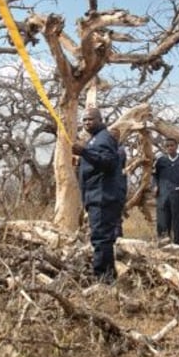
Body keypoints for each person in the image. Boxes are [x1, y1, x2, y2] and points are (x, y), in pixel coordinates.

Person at [72, 108, 123, 283]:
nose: (87, 123)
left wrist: (85, 152)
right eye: (84, 120)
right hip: (95, 197)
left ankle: (103, 278)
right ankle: (108, 275)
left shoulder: (105, 137)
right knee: (101, 238)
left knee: (101, 239)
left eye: (90, 119)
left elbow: (108, 162)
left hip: (103, 197)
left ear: (100, 120)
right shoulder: (94, 140)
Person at [154, 137, 179, 245]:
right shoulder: (161, 161)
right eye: (167, 146)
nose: (170, 148)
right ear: (164, 147)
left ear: (176, 146)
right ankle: (163, 247)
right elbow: (154, 177)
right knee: (162, 223)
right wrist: (155, 186)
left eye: (172, 145)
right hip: (163, 197)